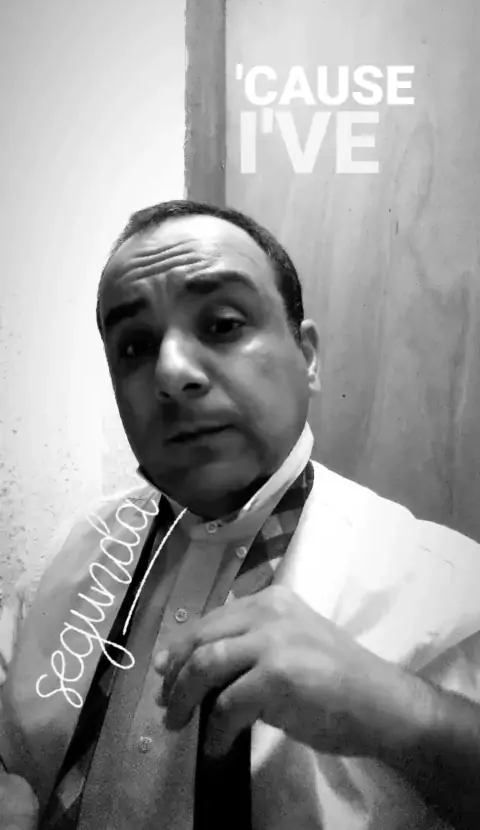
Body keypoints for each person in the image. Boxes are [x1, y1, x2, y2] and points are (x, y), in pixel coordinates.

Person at [1, 199, 480, 830]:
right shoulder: (72, 555)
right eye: (135, 345)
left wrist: (410, 715)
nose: (171, 373)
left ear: (308, 356)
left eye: (223, 324)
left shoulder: (449, 593)